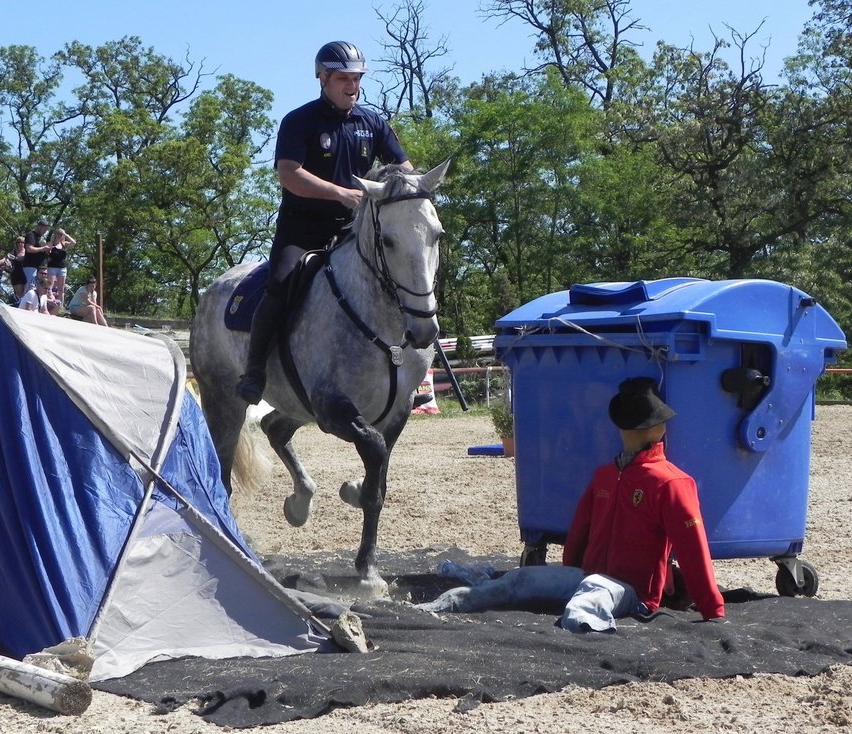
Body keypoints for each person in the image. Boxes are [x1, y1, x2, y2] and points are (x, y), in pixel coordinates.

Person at [416, 377, 725, 632]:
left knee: (586, 604)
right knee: (517, 581)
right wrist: (568, 571)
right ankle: (438, 607)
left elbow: (692, 547)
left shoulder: (670, 483)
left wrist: (712, 608)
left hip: (631, 592)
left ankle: (567, 643)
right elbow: (580, 529)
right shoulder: (606, 476)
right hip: (585, 575)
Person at [235, 40, 413, 405]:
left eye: (357, 78)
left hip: (354, 232)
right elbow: (289, 175)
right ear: (323, 78)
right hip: (303, 232)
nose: (353, 85)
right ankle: (254, 371)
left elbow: (404, 169)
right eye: (344, 78)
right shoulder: (299, 121)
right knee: (280, 284)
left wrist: (408, 191)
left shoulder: (373, 122)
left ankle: (408, 360)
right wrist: (340, 193)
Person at [47, 227, 76, 298]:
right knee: (49, 287)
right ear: (55, 234)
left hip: (62, 268)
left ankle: (60, 306)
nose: (59, 235)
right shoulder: (51, 244)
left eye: (61, 234)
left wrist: (65, 234)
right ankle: (49, 302)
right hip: (52, 267)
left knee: (61, 289)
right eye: (58, 234)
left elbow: (73, 243)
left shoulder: (64, 244)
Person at [22, 219, 51, 285]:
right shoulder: (31, 235)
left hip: (39, 267)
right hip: (30, 266)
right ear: (40, 227)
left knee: (38, 287)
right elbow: (29, 249)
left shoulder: (41, 238)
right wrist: (43, 248)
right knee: (30, 286)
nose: (45, 231)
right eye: (44, 229)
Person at [7, 236, 28, 302]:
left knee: (25, 292)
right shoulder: (13, 252)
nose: (20, 244)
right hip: (16, 273)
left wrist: (15, 258)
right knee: (19, 293)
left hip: (25, 273)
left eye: (22, 242)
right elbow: (8, 261)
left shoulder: (27, 252)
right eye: (19, 242)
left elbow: (21, 258)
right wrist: (9, 264)